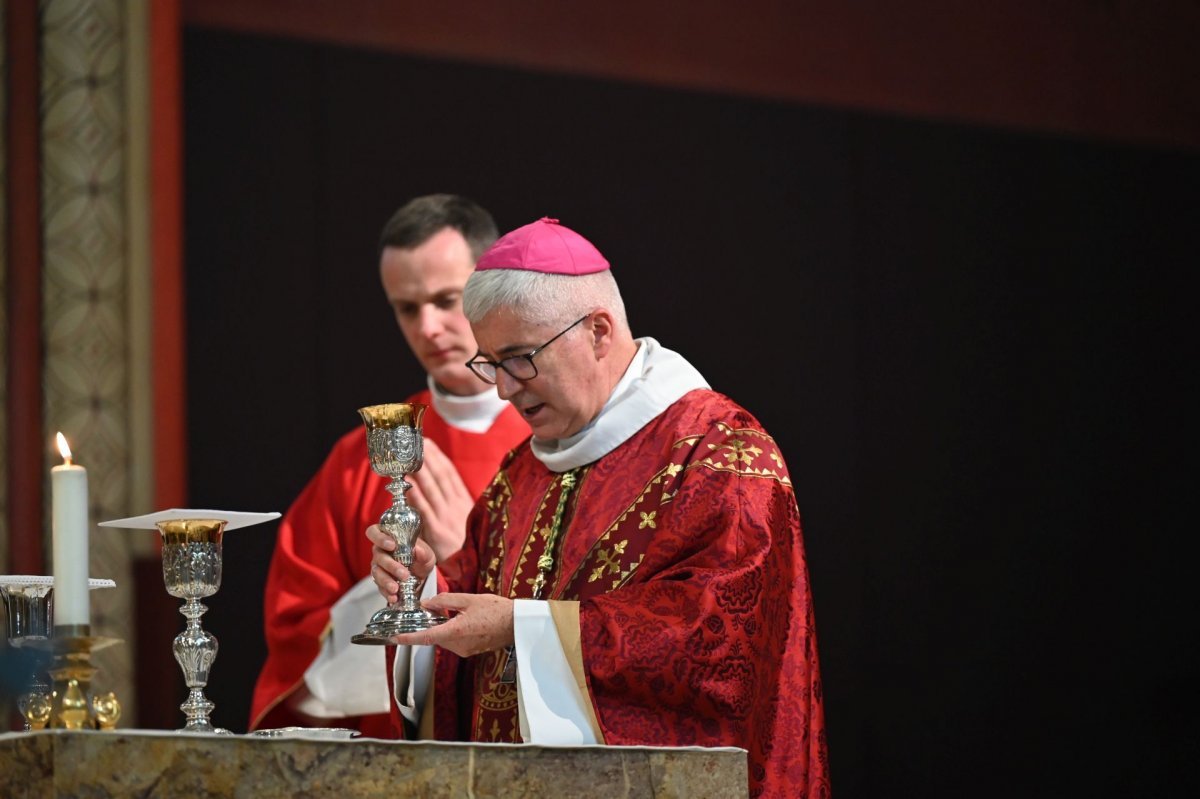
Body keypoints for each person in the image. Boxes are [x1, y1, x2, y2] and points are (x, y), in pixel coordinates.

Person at [369, 218, 830, 797]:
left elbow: (722, 650)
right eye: (488, 363)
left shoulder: (718, 452)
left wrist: (520, 627)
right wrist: (422, 586)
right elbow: (478, 605)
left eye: (519, 358)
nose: (504, 389)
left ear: (598, 331)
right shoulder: (523, 472)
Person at [249, 195, 530, 736]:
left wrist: (463, 559)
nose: (428, 327)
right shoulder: (359, 461)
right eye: (407, 307)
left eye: (448, 300)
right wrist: (406, 591)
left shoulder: (559, 442)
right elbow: (294, 638)